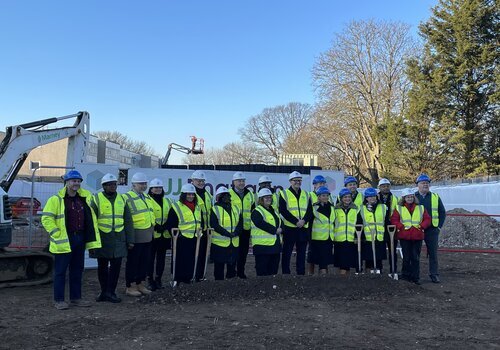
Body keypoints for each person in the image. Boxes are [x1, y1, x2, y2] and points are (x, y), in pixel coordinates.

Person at [41, 170, 101, 310]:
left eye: (79, 181)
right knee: (60, 271)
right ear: (67, 182)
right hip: (64, 240)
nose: (77, 183)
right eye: (74, 181)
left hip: (79, 238)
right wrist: (56, 233)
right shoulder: (56, 200)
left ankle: (76, 298)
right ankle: (59, 300)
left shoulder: (83, 199)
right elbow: (47, 218)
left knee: (77, 270)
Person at [90, 173, 134, 303]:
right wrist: (92, 242)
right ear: (103, 186)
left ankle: (111, 292)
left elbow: (128, 221)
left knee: (116, 267)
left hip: (119, 239)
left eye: (114, 184)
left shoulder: (122, 199)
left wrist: (130, 240)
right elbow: (91, 221)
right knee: (102, 267)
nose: (112, 186)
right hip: (102, 238)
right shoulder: (96, 199)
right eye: (109, 185)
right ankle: (104, 292)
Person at [122, 172, 155, 297]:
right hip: (135, 234)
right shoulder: (126, 197)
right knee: (133, 262)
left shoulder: (146, 198)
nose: (143, 186)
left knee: (144, 261)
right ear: (133, 184)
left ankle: (140, 283)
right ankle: (130, 286)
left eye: (145, 183)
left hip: (147, 234)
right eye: (141, 184)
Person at [391, 188, 431, 285]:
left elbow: (427, 219)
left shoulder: (420, 208)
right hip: (404, 236)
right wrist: (401, 226)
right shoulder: (399, 208)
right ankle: (405, 275)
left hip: (417, 236)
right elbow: (394, 219)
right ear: (404, 198)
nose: (409, 199)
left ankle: (415, 277)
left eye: (411, 197)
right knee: (406, 257)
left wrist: (422, 226)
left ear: (414, 197)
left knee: (415, 257)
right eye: (407, 197)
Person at [165, 183, 202, 285]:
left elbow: (199, 220)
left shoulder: (197, 207)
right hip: (181, 238)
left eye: (192, 194)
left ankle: (189, 277)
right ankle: (177, 278)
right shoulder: (176, 206)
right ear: (183, 195)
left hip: (194, 237)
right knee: (180, 260)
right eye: (188, 194)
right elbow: (171, 223)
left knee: (191, 259)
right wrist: (177, 235)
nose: (191, 196)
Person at [414, 174, 446, 283]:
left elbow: (442, 212)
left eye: (427, 183)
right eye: (423, 183)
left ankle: (434, 274)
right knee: (415, 253)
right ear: (417, 185)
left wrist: (438, 227)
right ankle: (415, 275)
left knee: (433, 253)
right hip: (417, 229)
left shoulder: (435, 197)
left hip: (432, 230)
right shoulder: (412, 197)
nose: (425, 185)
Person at [279, 171, 313, 275]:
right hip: (290, 228)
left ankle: (301, 273)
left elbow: (309, 211)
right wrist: (295, 221)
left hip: (303, 228)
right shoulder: (284, 193)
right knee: (287, 253)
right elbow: (283, 210)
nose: (298, 182)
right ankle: (286, 273)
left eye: (299, 180)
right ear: (290, 181)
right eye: (295, 180)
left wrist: (303, 221)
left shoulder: (306, 194)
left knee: (302, 253)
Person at [210, 186, 242, 280]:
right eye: (223, 195)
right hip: (219, 244)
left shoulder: (236, 208)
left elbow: (240, 223)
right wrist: (227, 234)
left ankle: (231, 284)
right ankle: (218, 284)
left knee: (232, 265)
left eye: (227, 195)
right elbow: (214, 225)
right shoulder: (215, 209)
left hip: (234, 243)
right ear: (218, 197)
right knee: (219, 267)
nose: (226, 197)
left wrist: (236, 232)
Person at [146, 178, 172, 291]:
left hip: (164, 234)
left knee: (161, 258)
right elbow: (147, 215)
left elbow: (171, 215)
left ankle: (158, 279)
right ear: (151, 189)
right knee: (150, 259)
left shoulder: (167, 201)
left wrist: (165, 226)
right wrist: (156, 226)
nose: (158, 189)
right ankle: (150, 280)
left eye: (160, 187)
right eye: (155, 188)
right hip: (153, 234)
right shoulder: (147, 200)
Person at [229, 171, 255, 279]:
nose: (241, 183)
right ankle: (230, 273)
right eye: (239, 181)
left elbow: (253, 210)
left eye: (243, 181)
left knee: (243, 253)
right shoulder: (229, 194)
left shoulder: (250, 194)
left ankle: (241, 272)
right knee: (232, 252)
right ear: (234, 182)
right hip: (234, 229)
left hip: (246, 229)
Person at [251, 188, 282, 276]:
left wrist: (282, 229)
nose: (269, 199)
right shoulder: (257, 211)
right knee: (262, 273)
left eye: (270, 197)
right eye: (266, 197)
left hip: (274, 246)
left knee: (273, 272)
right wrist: (275, 230)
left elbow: (280, 222)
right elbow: (260, 223)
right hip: (262, 247)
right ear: (261, 199)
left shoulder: (274, 211)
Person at [359, 187, 387, 272]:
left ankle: (379, 274)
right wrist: (361, 236)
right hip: (368, 238)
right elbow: (359, 222)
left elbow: (386, 221)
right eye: (370, 197)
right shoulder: (362, 208)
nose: (372, 198)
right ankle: (368, 275)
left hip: (379, 237)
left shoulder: (383, 207)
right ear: (366, 198)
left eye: (374, 196)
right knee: (368, 259)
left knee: (379, 259)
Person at [191, 170, 213, 281]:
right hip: (194, 230)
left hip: (205, 230)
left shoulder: (207, 194)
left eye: (202, 181)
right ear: (193, 181)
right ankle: (192, 275)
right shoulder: (190, 193)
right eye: (198, 180)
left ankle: (200, 276)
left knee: (203, 255)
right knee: (194, 255)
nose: (201, 183)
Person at [333, 188, 360, 274]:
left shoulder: (356, 209)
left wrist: (356, 237)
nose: (347, 199)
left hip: (351, 240)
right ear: (341, 198)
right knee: (342, 264)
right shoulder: (335, 209)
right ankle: (342, 282)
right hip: (339, 240)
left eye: (349, 197)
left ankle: (345, 282)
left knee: (347, 264)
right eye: (345, 197)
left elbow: (359, 224)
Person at [310, 186, 335, 275]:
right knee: (319, 260)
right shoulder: (314, 208)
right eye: (323, 195)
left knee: (326, 261)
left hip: (328, 238)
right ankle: (321, 277)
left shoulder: (332, 207)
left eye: (327, 195)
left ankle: (324, 278)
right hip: (317, 238)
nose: (326, 197)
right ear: (318, 197)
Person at [377, 178, 399, 274]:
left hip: (392, 227)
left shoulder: (395, 198)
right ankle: (379, 270)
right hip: (379, 227)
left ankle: (393, 270)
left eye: (387, 186)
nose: (386, 188)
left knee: (392, 251)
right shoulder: (375, 197)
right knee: (379, 250)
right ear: (379, 187)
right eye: (383, 186)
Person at [307, 174, 327, 275]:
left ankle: (323, 275)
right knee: (312, 254)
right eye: (319, 183)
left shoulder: (328, 195)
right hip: (313, 228)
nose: (322, 185)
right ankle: (311, 274)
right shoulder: (309, 195)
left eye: (323, 183)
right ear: (314, 185)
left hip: (325, 231)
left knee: (324, 255)